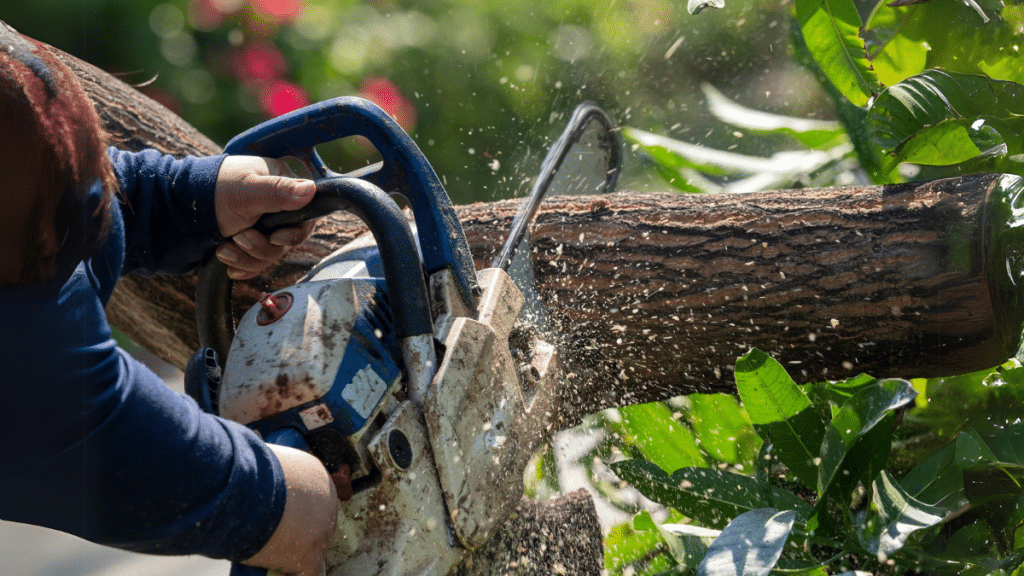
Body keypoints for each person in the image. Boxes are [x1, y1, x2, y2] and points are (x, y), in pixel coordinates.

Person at [0, 23, 340, 576]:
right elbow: (77, 430)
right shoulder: (29, 385)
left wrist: (189, 198)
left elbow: (53, 208)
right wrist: (285, 503)